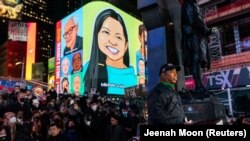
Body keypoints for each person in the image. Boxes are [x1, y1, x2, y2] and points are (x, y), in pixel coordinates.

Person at [83, 9, 137, 95]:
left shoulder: (133, 77)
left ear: (126, 45)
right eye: (106, 32)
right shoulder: (89, 67)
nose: (112, 41)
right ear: (97, 35)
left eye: (119, 37)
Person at [181, 0, 212, 94]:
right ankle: (198, 86)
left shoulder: (189, 4)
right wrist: (206, 30)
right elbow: (195, 19)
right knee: (195, 60)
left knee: (196, 61)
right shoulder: (189, 4)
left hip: (193, 36)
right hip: (193, 37)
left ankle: (199, 85)